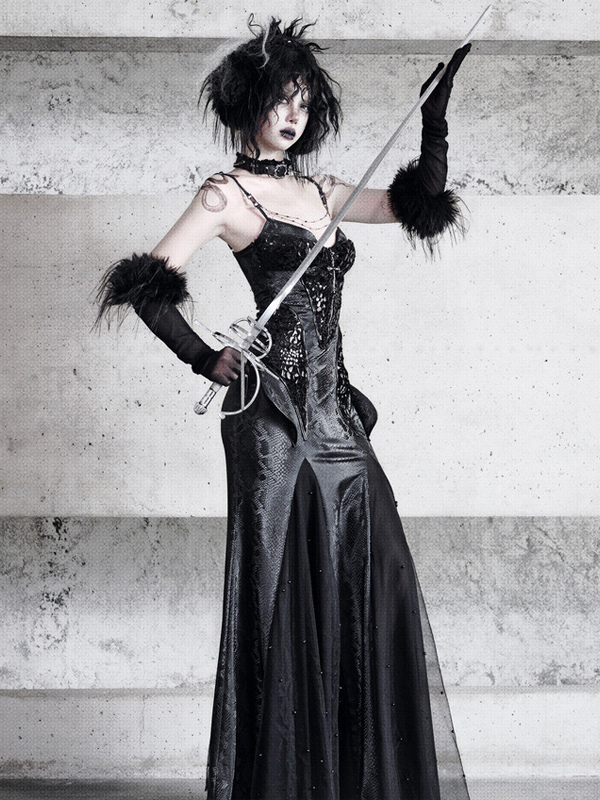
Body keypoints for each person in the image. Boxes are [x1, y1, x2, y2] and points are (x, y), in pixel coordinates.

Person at [97, 18, 471, 800]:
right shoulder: (225, 196)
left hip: (339, 420)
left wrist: (434, 119)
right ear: (249, 104)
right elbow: (144, 283)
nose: (293, 114)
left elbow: (420, 205)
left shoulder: (322, 191)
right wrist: (205, 356)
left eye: (303, 100)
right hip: (275, 424)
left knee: (376, 577)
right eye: (280, 99)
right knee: (287, 593)